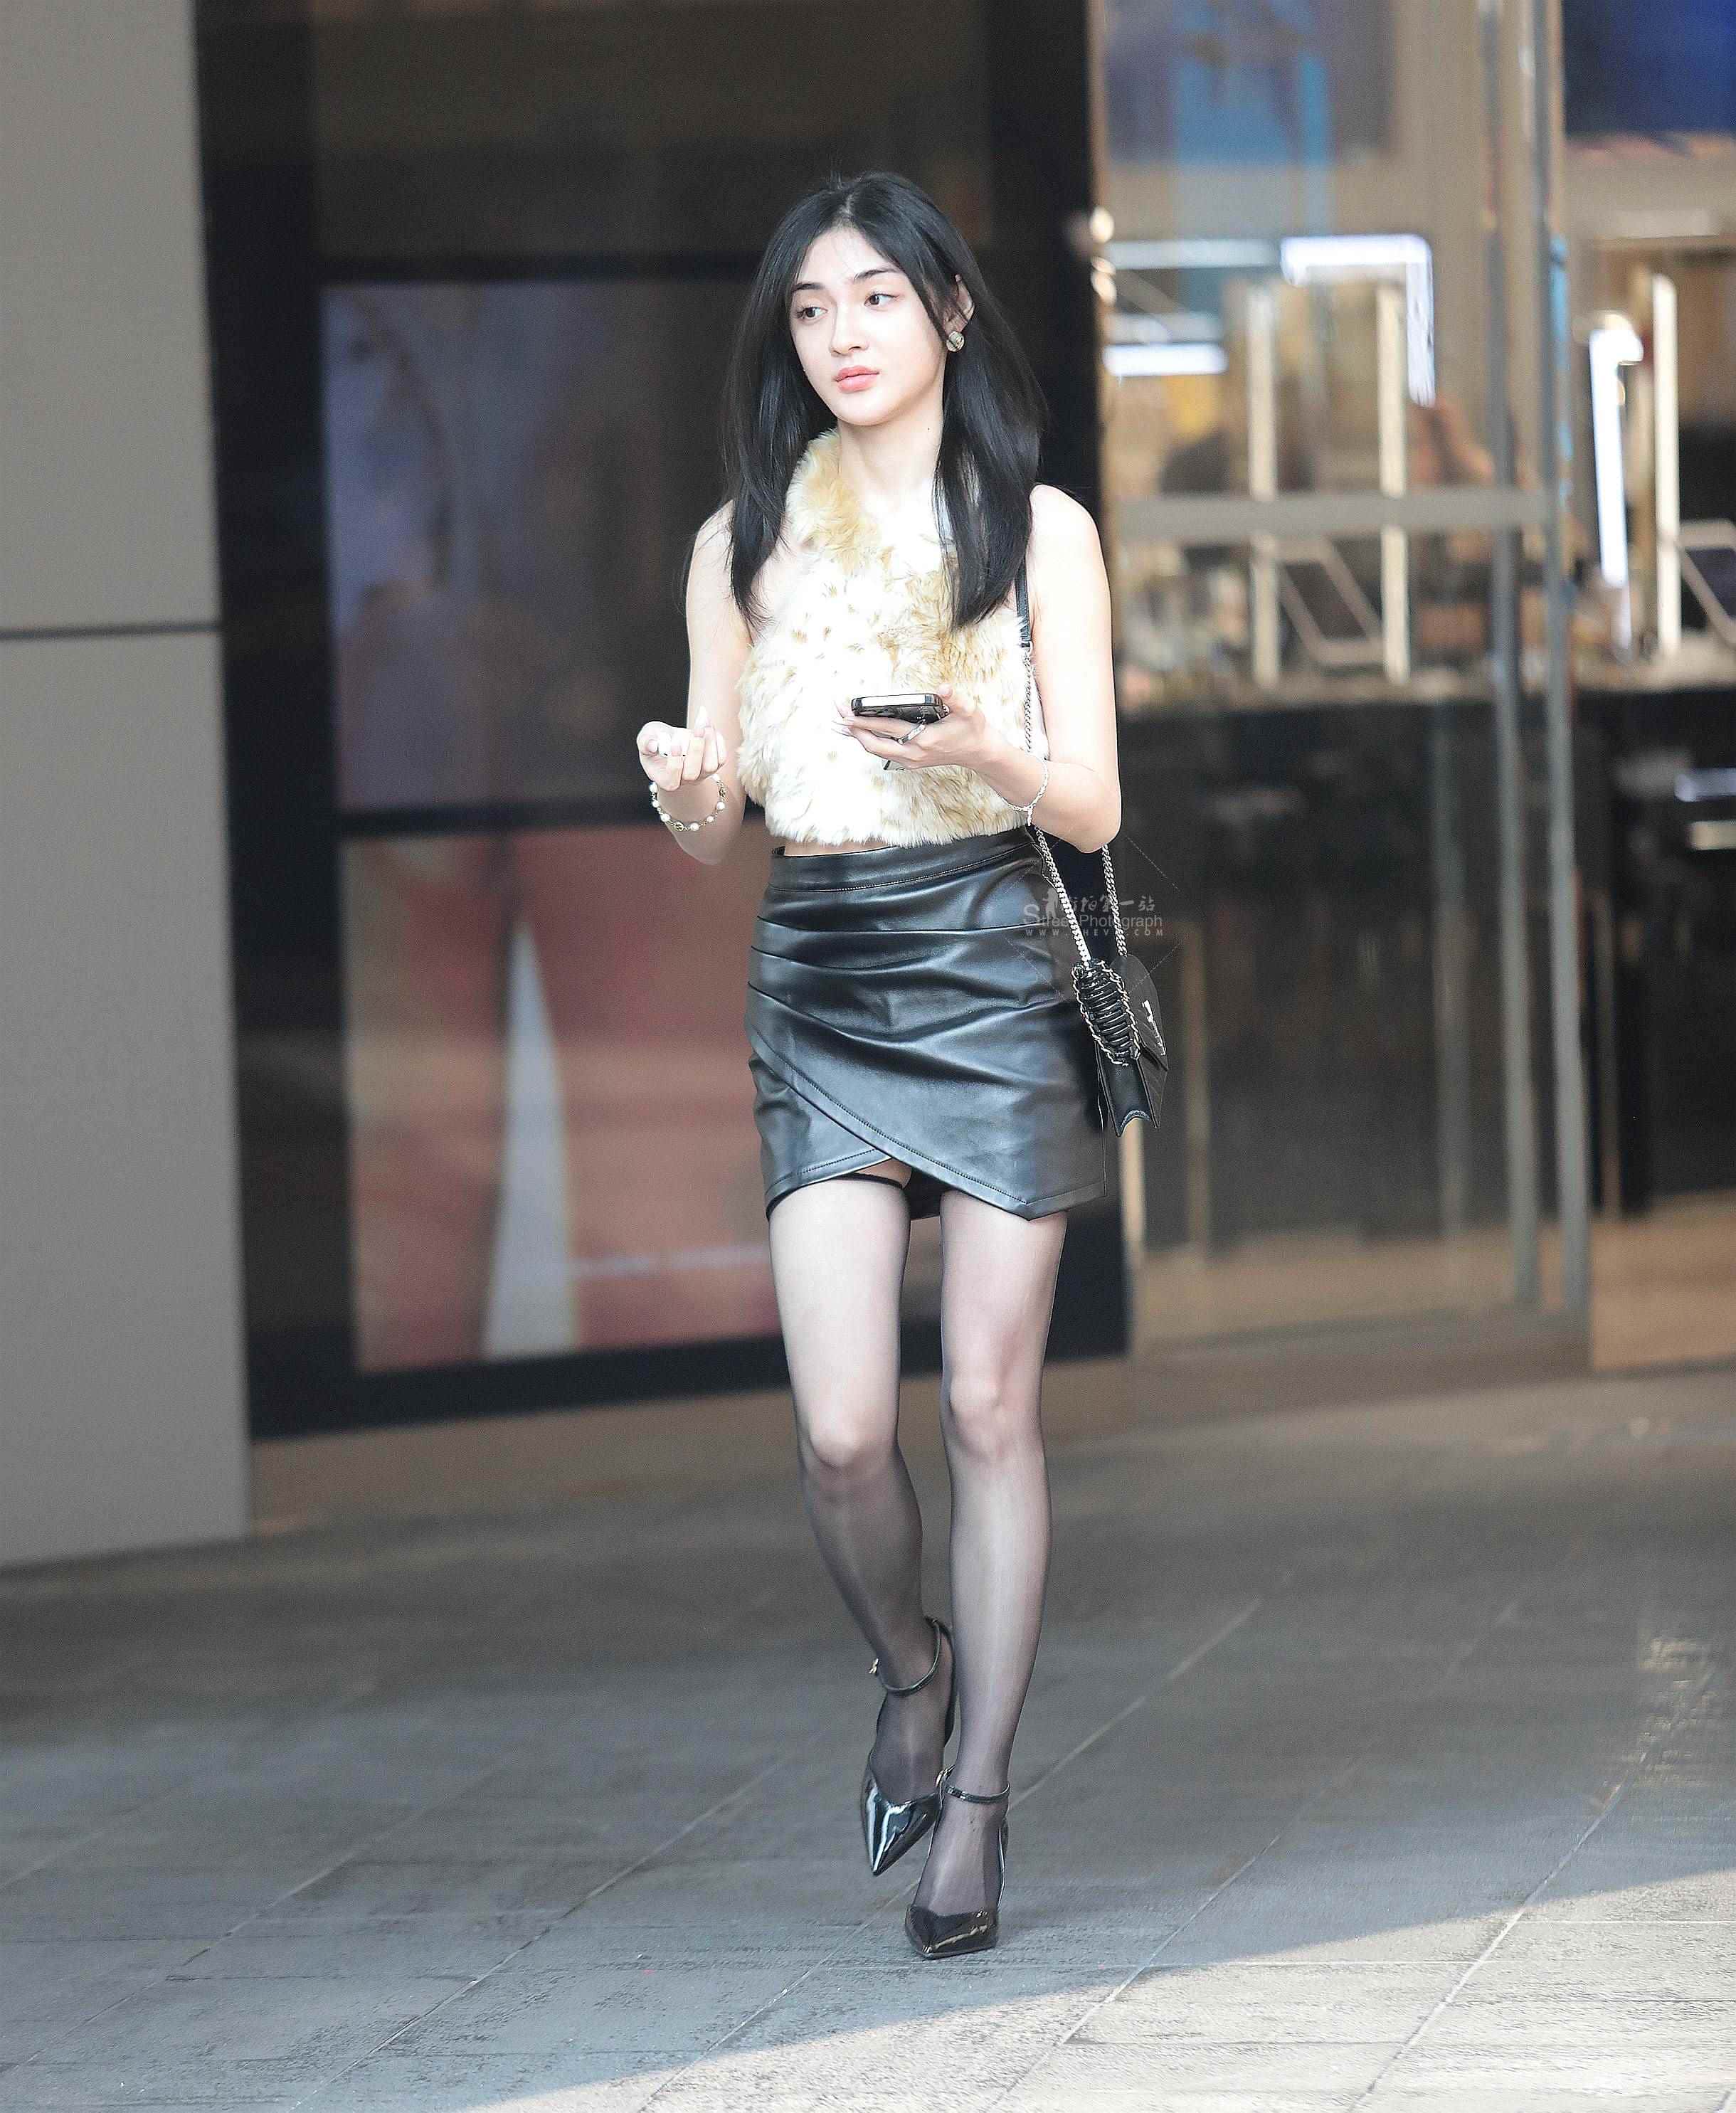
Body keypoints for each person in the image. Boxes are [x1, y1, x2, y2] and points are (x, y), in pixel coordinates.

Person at [633, 171, 1121, 1960]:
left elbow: (1094, 805)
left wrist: (990, 747)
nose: (840, 336)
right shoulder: (739, 542)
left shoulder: (1034, 528)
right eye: (810, 309)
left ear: (950, 316)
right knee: (844, 1433)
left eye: (875, 301)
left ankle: (975, 1802)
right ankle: (911, 1670)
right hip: (821, 965)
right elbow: (717, 824)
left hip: (991, 960)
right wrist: (690, 793)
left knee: (986, 1407)